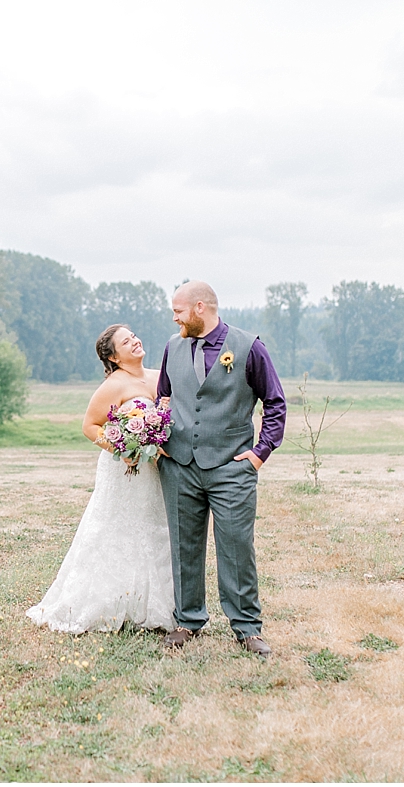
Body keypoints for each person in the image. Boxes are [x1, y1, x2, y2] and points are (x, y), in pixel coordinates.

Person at [156, 281, 286, 656]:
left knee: (236, 547)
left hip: (232, 466)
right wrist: (159, 436)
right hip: (179, 465)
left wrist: (260, 452)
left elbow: (275, 403)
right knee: (184, 545)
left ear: (200, 308)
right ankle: (188, 620)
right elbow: (164, 396)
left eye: (179, 311)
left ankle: (247, 627)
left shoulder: (249, 347)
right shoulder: (172, 346)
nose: (175, 317)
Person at [26, 325, 174, 633]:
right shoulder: (113, 385)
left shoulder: (159, 375)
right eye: (126, 341)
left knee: (154, 529)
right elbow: (90, 426)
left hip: (155, 470)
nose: (135, 341)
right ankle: (106, 603)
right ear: (114, 356)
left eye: (134, 336)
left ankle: (155, 605)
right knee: (115, 529)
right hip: (124, 470)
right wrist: (123, 448)